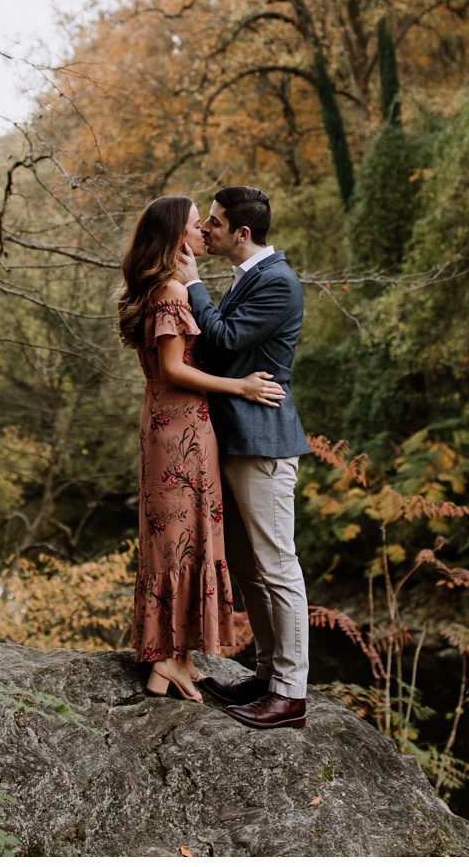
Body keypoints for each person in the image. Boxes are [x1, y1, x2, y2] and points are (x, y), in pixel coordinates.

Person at [117, 195, 286, 701]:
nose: (203, 232)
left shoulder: (163, 286)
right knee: (180, 540)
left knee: (184, 538)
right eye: (196, 225)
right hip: (181, 429)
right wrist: (241, 387)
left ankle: (179, 656)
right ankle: (165, 659)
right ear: (176, 237)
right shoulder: (171, 291)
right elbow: (174, 368)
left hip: (172, 423)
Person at [175, 184, 311, 730]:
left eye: (214, 222)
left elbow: (226, 339)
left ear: (242, 232)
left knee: (277, 566)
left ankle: (291, 694)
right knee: (250, 566)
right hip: (235, 439)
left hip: (265, 441)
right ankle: (267, 674)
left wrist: (192, 285)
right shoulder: (247, 276)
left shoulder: (278, 282)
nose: (205, 230)